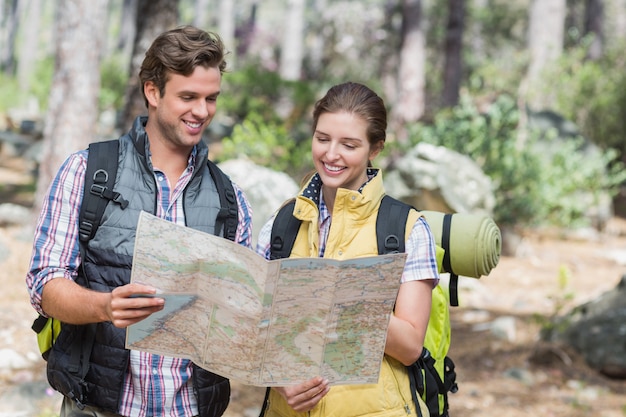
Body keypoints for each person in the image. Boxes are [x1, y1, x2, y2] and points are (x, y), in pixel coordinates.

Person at [25, 26, 252, 417]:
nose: (202, 111)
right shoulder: (88, 173)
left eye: (211, 98)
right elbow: (44, 285)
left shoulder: (228, 198)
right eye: (188, 97)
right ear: (152, 91)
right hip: (97, 407)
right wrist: (105, 306)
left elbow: (243, 311)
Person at [256, 82, 438, 417]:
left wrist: (343, 298)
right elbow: (254, 326)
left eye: (349, 145)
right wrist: (279, 378)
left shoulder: (405, 229)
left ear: (375, 148)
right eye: (322, 139)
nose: (331, 154)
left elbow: (411, 346)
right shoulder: (283, 224)